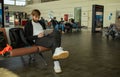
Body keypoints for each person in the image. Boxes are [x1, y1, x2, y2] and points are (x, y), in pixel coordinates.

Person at [24, 9, 69, 73]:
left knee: (57, 32)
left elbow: (44, 30)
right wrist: (37, 36)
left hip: (44, 36)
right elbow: (27, 37)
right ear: (32, 16)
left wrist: (47, 32)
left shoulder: (40, 23)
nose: (37, 18)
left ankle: (57, 50)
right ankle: (56, 63)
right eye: (36, 17)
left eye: (38, 17)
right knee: (54, 42)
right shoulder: (28, 24)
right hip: (37, 39)